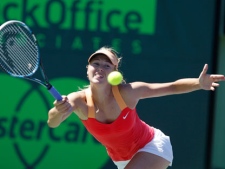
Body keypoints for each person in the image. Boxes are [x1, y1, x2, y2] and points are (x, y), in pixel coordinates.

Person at [47, 46, 225, 169]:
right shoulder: (78, 101)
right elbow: (52, 122)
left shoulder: (129, 92)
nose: (100, 68)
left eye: (106, 65)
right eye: (96, 64)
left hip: (152, 146)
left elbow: (171, 86)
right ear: (87, 69)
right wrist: (58, 110)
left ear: (114, 72)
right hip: (122, 161)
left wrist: (198, 83)